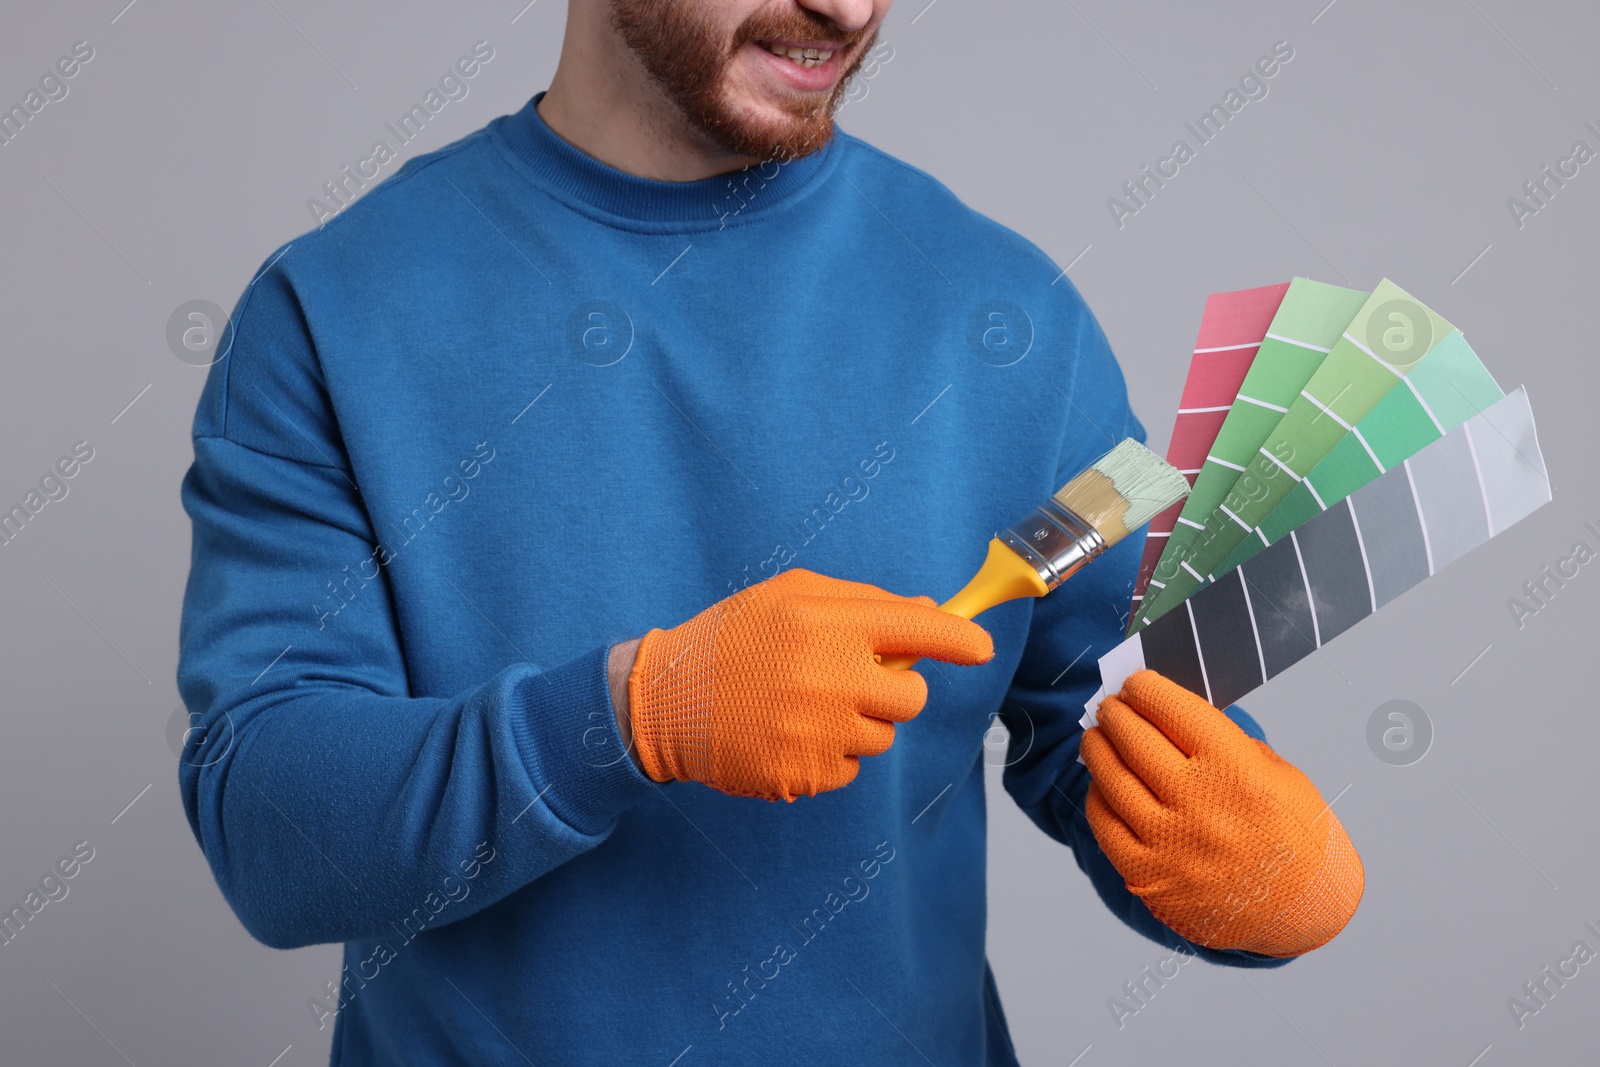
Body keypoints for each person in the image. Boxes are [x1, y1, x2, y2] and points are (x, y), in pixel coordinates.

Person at [176, 1, 1364, 1063]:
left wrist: (1259, 876)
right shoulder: (333, 310)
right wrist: (632, 715)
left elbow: (1103, 731)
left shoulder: (1014, 319)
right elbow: (268, 830)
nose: (843, 11)